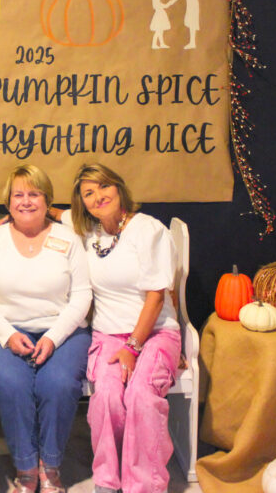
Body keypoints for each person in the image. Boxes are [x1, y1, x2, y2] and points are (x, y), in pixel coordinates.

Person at [0, 164, 92, 493]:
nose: (26, 201)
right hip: (5, 330)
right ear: (8, 202)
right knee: (13, 385)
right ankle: (26, 467)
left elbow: (82, 296)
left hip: (63, 330)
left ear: (47, 201)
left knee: (57, 384)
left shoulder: (69, 238)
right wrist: (8, 335)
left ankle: (50, 466)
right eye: (18, 195)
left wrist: (53, 337)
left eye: (34, 194)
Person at [64, 163, 181, 493]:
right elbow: (53, 213)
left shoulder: (149, 230)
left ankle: (144, 485)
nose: (98, 196)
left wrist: (132, 347)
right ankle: (107, 480)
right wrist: (11, 218)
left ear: (119, 188)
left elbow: (156, 298)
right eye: (89, 193)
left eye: (104, 186)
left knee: (142, 395)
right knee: (107, 398)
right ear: (83, 203)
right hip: (107, 334)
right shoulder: (88, 233)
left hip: (155, 332)